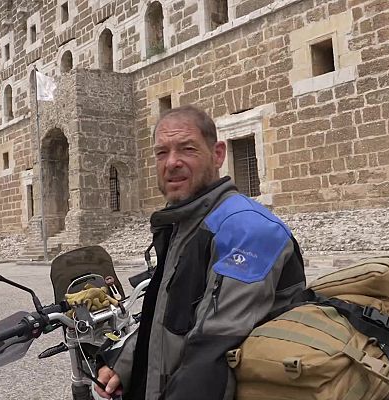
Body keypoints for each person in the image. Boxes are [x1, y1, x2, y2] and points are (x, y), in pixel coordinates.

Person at [95, 106, 306, 400]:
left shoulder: (244, 229)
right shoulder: (185, 223)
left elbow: (213, 351)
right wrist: (127, 363)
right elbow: (170, 319)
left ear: (218, 154)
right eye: (161, 153)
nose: (172, 163)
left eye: (187, 149)